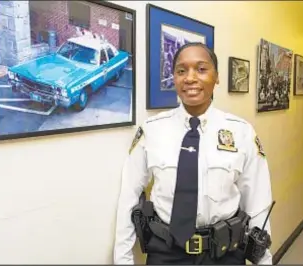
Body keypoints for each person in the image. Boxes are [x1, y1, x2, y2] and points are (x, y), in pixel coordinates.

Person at [113, 42, 273, 265]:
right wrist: (122, 259)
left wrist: (263, 260)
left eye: (201, 69)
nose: (190, 78)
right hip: (166, 253)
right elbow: (129, 195)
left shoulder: (241, 132)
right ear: (174, 78)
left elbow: (258, 202)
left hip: (225, 253)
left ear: (216, 76)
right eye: (181, 70)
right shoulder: (152, 130)